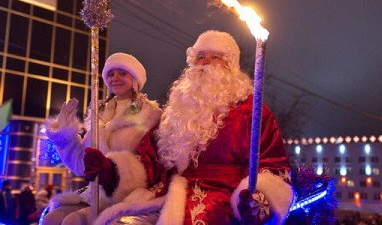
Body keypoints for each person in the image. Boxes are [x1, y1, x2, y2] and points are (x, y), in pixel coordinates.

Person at [84, 30, 294, 224]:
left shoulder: (251, 109)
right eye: (200, 57)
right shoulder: (178, 108)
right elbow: (149, 158)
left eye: (215, 57)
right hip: (166, 192)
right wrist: (112, 170)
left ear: (230, 66)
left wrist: (258, 198)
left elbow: (271, 164)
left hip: (223, 196)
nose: (205, 63)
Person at [43, 52, 163, 224]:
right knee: (51, 218)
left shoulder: (151, 114)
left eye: (122, 73)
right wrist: (64, 135)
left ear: (136, 79)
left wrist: (111, 169)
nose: (115, 78)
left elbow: (152, 165)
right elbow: (81, 165)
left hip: (130, 194)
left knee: (73, 221)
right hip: (95, 194)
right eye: (110, 74)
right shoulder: (98, 114)